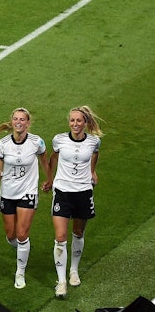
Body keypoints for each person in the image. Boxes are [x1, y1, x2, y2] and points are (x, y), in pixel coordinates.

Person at [41, 105, 102, 300]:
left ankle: (73, 270)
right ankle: (61, 282)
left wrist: (92, 171)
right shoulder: (59, 140)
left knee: (78, 232)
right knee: (60, 236)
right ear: (69, 122)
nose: (75, 124)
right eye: (72, 120)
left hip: (83, 192)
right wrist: (49, 179)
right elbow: (53, 158)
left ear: (85, 123)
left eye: (79, 120)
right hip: (62, 192)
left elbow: (95, 155)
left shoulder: (94, 142)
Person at [0, 108, 49, 289]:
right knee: (11, 236)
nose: (19, 122)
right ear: (12, 122)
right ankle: (24, 248)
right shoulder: (3, 144)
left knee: (21, 234)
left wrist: (49, 178)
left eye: (22, 119)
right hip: (7, 193)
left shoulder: (37, 142)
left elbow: (44, 160)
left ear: (28, 123)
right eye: (15, 119)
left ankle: (20, 272)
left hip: (28, 192)